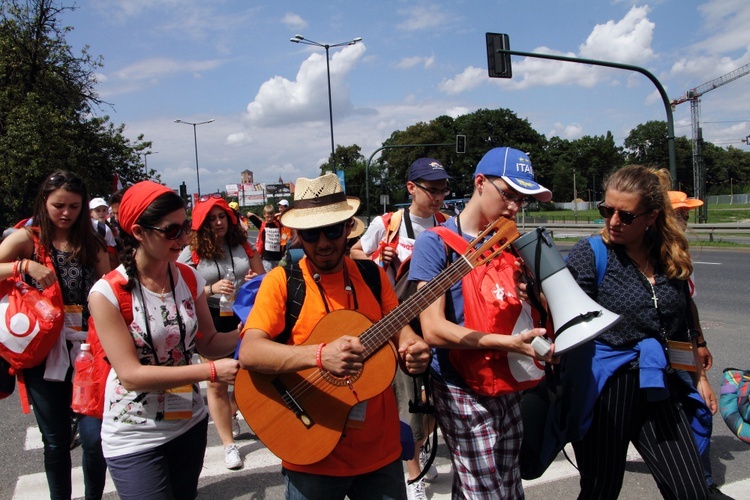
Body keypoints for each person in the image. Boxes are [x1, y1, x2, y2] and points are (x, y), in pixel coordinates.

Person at [238, 173, 431, 499]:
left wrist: (412, 345)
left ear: (348, 228)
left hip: (379, 454)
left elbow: (399, 328)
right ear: (298, 235)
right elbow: (250, 352)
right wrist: (318, 356)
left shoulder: (371, 275)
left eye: (332, 230)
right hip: (311, 451)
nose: (324, 242)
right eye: (312, 234)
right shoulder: (283, 282)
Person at [409, 147, 555, 498]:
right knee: (486, 490)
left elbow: (549, 309)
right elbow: (433, 329)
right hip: (462, 385)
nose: (514, 207)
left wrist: (535, 294)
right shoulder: (435, 244)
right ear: (480, 183)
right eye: (508, 195)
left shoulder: (513, 242)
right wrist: (507, 343)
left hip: (509, 380)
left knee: (505, 484)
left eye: (522, 199)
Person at [87, 181, 240, 499]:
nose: (184, 238)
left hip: (188, 422)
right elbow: (131, 376)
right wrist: (210, 372)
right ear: (139, 231)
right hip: (134, 434)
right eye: (172, 231)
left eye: (184, 227)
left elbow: (207, 342)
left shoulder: (187, 276)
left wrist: (249, 332)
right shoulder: (108, 293)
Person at [564, 165, 709, 499]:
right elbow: (567, 317)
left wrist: (698, 376)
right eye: (607, 210)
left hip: (660, 383)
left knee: (692, 491)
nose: (613, 221)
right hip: (607, 390)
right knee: (601, 491)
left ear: (651, 217)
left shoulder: (668, 257)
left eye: (626, 215)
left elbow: (683, 321)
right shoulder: (591, 254)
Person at [0, 171, 110, 499]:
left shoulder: (92, 241)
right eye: (58, 205)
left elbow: (109, 288)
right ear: (43, 203)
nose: (66, 213)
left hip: (88, 350)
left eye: (74, 206)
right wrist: (24, 266)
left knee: (94, 438)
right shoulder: (26, 238)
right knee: (56, 441)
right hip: (42, 352)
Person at [349, 157, 452, 498]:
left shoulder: (447, 224)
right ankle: (413, 474)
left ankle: (421, 450)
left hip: (438, 321)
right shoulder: (388, 223)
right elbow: (354, 254)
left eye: (442, 190)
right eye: (431, 190)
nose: (438, 196)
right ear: (411, 188)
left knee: (436, 397)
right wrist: (380, 256)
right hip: (401, 323)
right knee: (409, 400)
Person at [177, 195, 264, 470]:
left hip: (241, 315)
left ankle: (233, 409)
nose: (218, 223)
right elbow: (180, 292)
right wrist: (210, 290)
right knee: (216, 382)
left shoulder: (242, 244)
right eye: (212, 218)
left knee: (246, 374)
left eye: (222, 217)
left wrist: (254, 280)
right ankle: (229, 445)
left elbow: (263, 277)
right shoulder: (190, 252)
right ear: (202, 223)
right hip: (209, 316)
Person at [669, 191, 729, 499]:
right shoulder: (657, 253)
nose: (686, 220)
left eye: (687, 215)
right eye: (681, 214)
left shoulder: (679, 251)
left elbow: (687, 306)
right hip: (667, 347)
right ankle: (701, 483)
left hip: (680, 344)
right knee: (698, 408)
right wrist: (700, 375)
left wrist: (701, 342)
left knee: (694, 411)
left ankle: (699, 481)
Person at [90, 197, 120, 270]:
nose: (101, 213)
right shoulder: (86, 229)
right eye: (98, 210)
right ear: (90, 212)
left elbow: (113, 255)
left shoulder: (110, 229)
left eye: (104, 210)